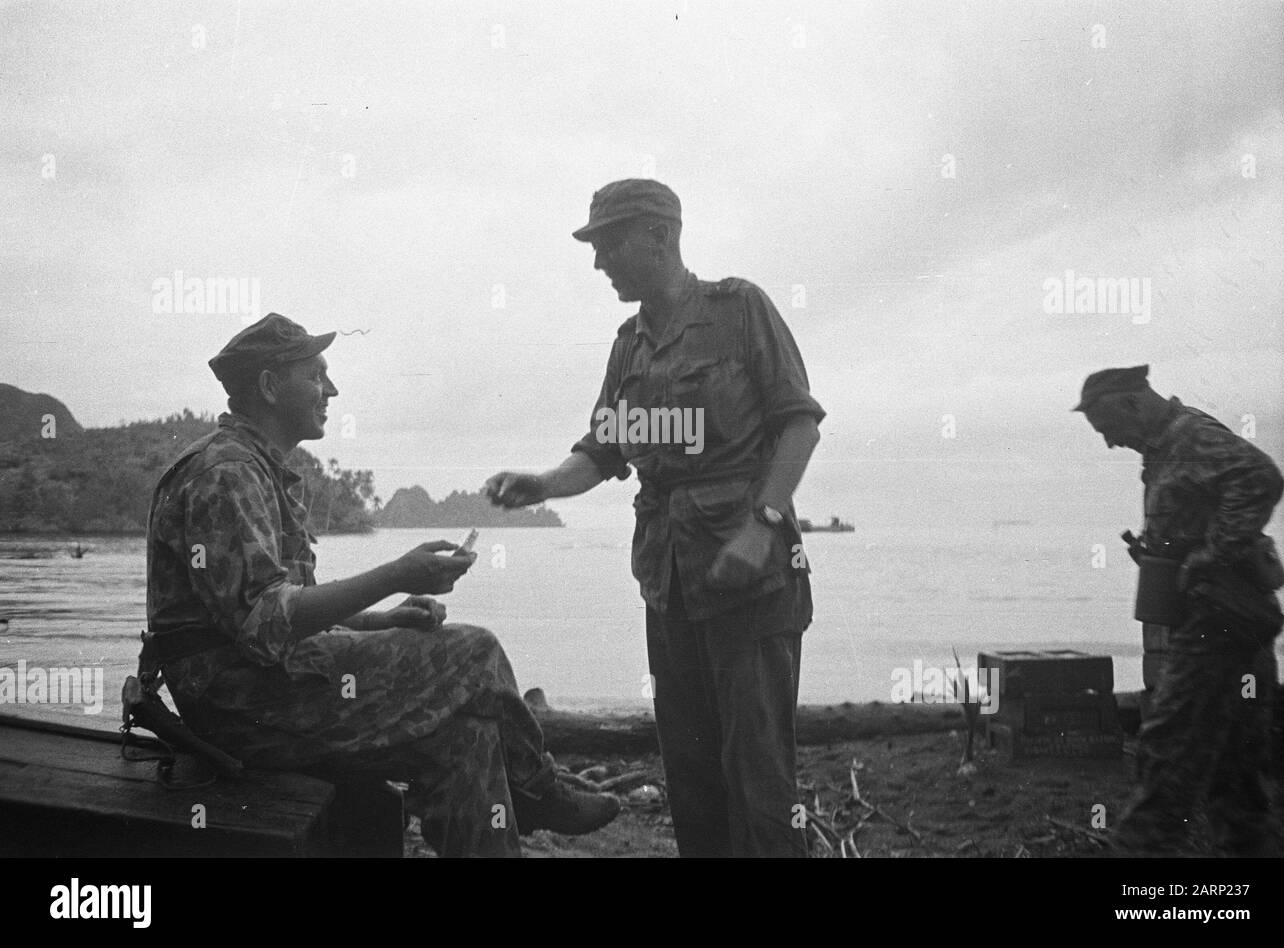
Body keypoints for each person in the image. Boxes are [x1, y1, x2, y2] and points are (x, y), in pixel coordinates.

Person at [142, 312, 619, 857]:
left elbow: (288, 610)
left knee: (469, 740)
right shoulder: (225, 473)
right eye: (316, 375)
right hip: (238, 707)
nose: (332, 389)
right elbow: (266, 624)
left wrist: (383, 617)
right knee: (475, 651)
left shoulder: (253, 469)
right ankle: (539, 789)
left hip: (264, 690)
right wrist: (396, 574)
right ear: (271, 386)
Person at [486, 180, 824, 857]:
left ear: (661, 237)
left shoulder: (739, 310)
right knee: (691, 771)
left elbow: (799, 427)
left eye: (609, 243)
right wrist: (544, 483)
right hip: (668, 583)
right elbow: (603, 449)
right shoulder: (628, 346)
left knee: (757, 774)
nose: (599, 261)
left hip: (751, 579)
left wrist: (761, 527)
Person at [1075, 364, 1284, 855]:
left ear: (1132, 402)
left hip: (1218, 621)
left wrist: (1213, 553)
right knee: (1236, 768)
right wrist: (1164, 551)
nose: (1110, 443)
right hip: (1236, 621)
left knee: (1164, 749)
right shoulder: (1166, 448)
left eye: (1109, 429)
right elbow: (1205, 505)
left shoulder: (1190, 435)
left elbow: (1261, 477)